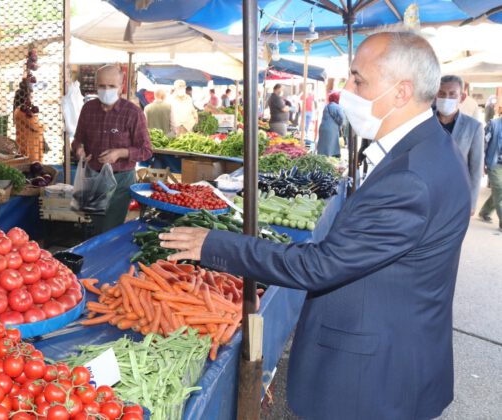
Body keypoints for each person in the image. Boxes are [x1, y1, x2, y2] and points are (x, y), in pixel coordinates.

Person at [159, 32, 470, 420]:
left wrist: (215, 245)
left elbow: (320, 265)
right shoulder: (430, 150)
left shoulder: (412, 176)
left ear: (401, 92)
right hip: (396, 351)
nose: (347, 90)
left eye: (358, 80)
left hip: (371, 381)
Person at [72, 65, 152, 234]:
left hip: (120, 181)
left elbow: (146, 150)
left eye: (111, 86)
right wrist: (79, 150)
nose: (106, 90)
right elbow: (78, 140)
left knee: (110, 228)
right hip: (93, 178)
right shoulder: (88, 109)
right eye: (101, 86)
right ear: (95, 86)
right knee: (94, 225)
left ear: (121, 86)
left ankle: (104, 256)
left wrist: (120, 153)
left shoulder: (133, 113)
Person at [436, 75, 484, 214]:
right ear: (435, 95)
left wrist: (472, 202)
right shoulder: (425, 122)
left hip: (455, 194)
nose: (446, 98)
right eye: (442, 93)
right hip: (426, 192)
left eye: (452, 94)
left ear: (462, 98)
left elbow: (476, 168)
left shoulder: (473, 127)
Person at [479, 116, 502, 230]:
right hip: (494, 163)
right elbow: (482, 145)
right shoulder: (493, 124)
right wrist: (481, 163)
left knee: (498, 192)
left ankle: (485, 212)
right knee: (499, 188)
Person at [316, 91, 345, 158]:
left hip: (323, 129)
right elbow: (342, 118)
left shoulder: (326, 106)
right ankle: (331, 162)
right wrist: (340, 124)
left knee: (323, 148)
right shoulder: (338, 107)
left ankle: (321, 161)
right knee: (333, 148)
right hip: (332, 129)